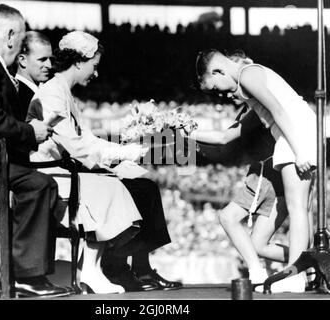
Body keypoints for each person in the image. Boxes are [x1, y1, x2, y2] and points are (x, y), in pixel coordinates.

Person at [27, 31, 181, 293]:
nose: (95, 74)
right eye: (94, 66)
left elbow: (84, 140)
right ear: (78, 61)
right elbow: (77, 146)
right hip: (54, 174)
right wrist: (124, 153)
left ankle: (111, 268)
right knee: (120, 186)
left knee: (140, 178)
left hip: (66, 168)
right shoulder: (54, 92)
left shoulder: (62, 91)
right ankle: (102, 269)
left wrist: (126, 152)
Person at [0, 4, 69, 298]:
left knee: (38, 181)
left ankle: (22, 272)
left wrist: (31, 133)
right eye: (19, 42)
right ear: (9, 35)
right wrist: (32, 131)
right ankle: (26, 277)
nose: (17, 49)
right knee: (39, 185)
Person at [195, 50, 316, 293]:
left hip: (295, 133)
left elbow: (280, 112)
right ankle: (301, 270)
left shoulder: (247, 75)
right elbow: (225, 137)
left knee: (297, 208)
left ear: (218, 71)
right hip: (292, 133)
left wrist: (299, 151)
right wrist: (184, 133)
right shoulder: (251, 86)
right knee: (298, 207)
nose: (222, 94)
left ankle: (295, 276)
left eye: (216, 87)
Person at [15, 31, 52, 120]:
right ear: (22, 60)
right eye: (42, 59)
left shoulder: (40, 92)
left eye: (50, 59)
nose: (49, 65)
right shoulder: (16, 96)